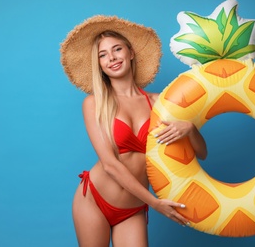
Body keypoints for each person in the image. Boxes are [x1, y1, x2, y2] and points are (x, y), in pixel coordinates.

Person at [60, 15, 207, 247]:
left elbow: (202, 153)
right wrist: (155, 203)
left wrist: (190, 128)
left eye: (117, 49)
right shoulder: (94, 103)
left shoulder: (159, 103)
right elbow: (109, 164)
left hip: (132, 207)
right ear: (99, 64)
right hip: (94, 201)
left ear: (131, 52)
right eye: (103, 55)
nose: (112, 58)